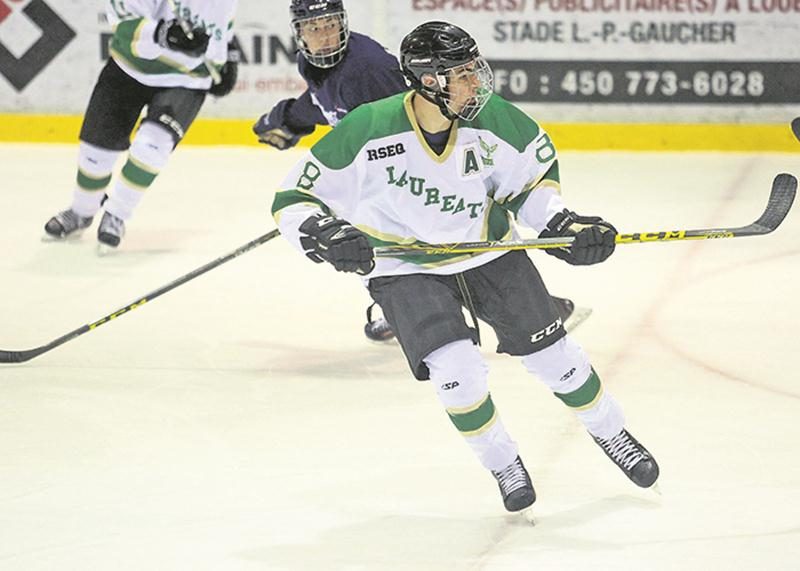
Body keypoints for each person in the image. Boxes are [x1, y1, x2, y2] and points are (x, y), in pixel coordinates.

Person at [270, 21, 659, 515]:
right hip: (403, 263)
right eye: (462, 74)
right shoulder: (369, 127)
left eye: (474, 68)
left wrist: (561, 224)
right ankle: (503, 462)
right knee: (456, 371)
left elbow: (530, 185)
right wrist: (322, 234)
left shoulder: (494, 121)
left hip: (488, 250)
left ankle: (613, 433)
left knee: (556, 358)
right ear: (428, 82)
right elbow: (293, 199)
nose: (477, 81)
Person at [255, 0, 585, 343]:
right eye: (314, 28)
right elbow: (325, 103)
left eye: (330, 25)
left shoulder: (367, 69)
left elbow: (407, 119)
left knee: (383, 228)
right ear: (299, 34)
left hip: (421, 162)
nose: (324, 35)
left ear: (343, 23)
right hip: (389, 163)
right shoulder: (315, 65)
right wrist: (284, 121)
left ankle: (522, 306)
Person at [43, 0, 240, 252]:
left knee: (152, 146)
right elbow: (123, 22)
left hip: (188, 79)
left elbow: (220, 21)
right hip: (128, 68)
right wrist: (163, 33)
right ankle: (81, 210)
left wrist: (226, 53)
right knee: (96, 151)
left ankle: (118, 214)